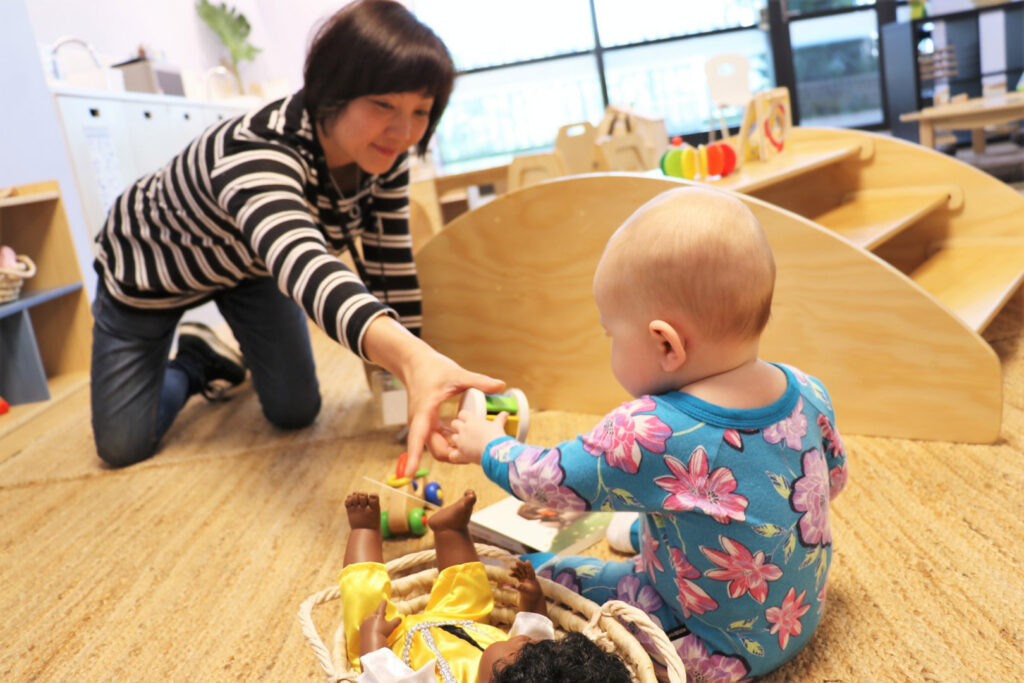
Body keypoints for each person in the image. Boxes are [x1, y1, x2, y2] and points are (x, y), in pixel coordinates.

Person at [442, 187, 849, 680]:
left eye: (611, 334)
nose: (610, 344)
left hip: (712, 648)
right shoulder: (808, 390)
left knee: (544, 577)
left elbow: (549, 481)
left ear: (665, 343)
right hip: (798, 616)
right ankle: (654, 533)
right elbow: (832, 483)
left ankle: (644, 552)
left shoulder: (647, 432)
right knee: (706, 508)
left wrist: (487, 444)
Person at [89, 0, 502, 470]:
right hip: (152, 270)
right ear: (334, 89)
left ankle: (214, 356)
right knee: (123, 446)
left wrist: (407, 375)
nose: (403, 130)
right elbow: (304, 262)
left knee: (295, 410)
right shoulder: (256, 149)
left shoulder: (385, 155)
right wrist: (411, 357)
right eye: (383, 104)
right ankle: (192, 364)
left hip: (252, 267)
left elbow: (390, 265)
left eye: (421, 111)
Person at [341, 490, 633, 683]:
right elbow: (537, 633)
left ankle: (364, 531)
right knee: (472, 594)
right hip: (459, 620)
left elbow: (384, 677)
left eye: (524, 648)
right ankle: (450, 531)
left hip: (395, 640)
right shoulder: (529, 664)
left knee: (364, 604)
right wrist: (532, 600)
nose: (525, 639)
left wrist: (374, 644)